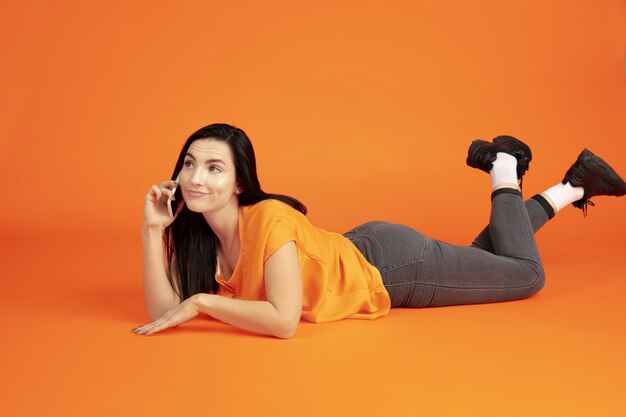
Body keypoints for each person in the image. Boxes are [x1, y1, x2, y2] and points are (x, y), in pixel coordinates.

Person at [132, 123, 626, 339]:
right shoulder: (200, 237)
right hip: (367, 249)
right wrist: (153, 232)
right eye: (190, 163)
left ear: (241, 182)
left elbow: (282, 322)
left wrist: (200, 303)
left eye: (214, 168)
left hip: (392, 269)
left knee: (523, 274)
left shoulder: (268, 220)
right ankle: (575, 188)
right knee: (489, 258)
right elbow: (161, 312)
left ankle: (504, 166)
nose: (196, 178)